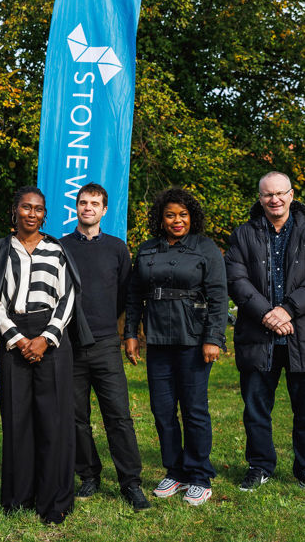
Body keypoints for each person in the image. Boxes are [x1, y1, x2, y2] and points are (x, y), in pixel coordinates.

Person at [0, 186, 93, 525]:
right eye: (26, 207)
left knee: (53, 421)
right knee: (17, 420)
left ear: (45, 214)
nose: (32, 213)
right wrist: (15, 338)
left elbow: (68, 297)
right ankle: (18, 497)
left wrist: (46, 337)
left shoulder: (56, 250)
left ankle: (54, 500)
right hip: (12, 337)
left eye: (38, 209)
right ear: (14, 211)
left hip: (52, 339)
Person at [224, 171, 305, 499]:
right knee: (256, 408)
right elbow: (236, 279)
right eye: (267, 194)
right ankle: (259, 466)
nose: (274, 199)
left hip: (304, 337)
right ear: (260, 198)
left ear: (291, 195)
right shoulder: (243, 234)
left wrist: (286, 309)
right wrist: (267, 315)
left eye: (280, 193)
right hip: (258, 336)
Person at [123, 188, 228, 506]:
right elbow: (133, 295)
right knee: (163, 410)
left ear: (192, 217)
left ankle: (199, 475)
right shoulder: (147, 249)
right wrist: (131, 334)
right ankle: (176, 470)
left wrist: (213, 338)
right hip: (157, 341)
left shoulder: (205, 248)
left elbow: (219, 297)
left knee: (194, 410)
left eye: (183, 214)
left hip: (194, 341)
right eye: (171, 214)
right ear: (161, 218)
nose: (177, 220)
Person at [59, 183, 149, 511]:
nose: (88, 208)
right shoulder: (61, 246)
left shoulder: (117, 248)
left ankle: (131, 483)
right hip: (69, 346)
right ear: (76, 206)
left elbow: (127, 295)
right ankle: (89, 474)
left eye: (95, 204)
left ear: (104, 209)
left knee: (119, 416)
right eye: (83, 202)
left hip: (106, 344)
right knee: (75, 418)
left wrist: (127, 336)